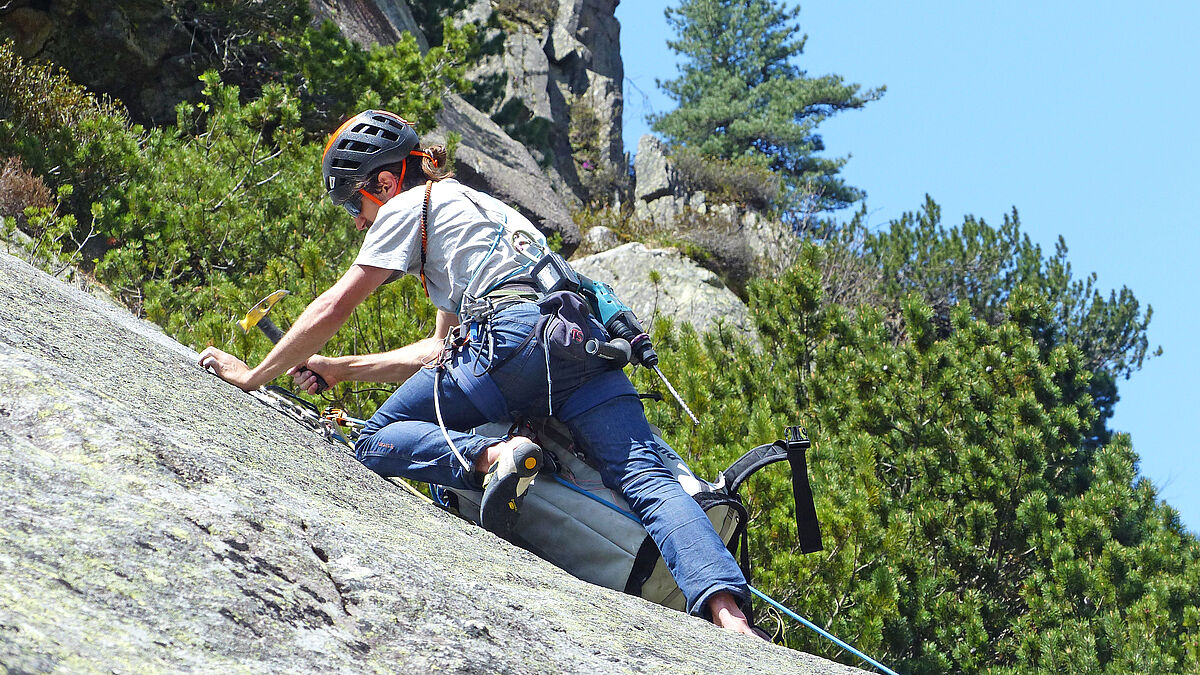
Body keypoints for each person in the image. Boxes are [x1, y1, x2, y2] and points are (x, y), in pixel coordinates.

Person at [198, 110, 759, 636]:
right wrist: (338, 370)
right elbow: (440, 352)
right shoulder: (481, 211)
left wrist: (253, 376)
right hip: (578, 344)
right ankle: (730, 618)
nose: (358, 219)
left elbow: (337, 305)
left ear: (386, 183)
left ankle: (493, 458)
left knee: (373, 439)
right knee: (650, 482)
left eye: (354, 201)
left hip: (510, 341)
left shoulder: (405, 208)